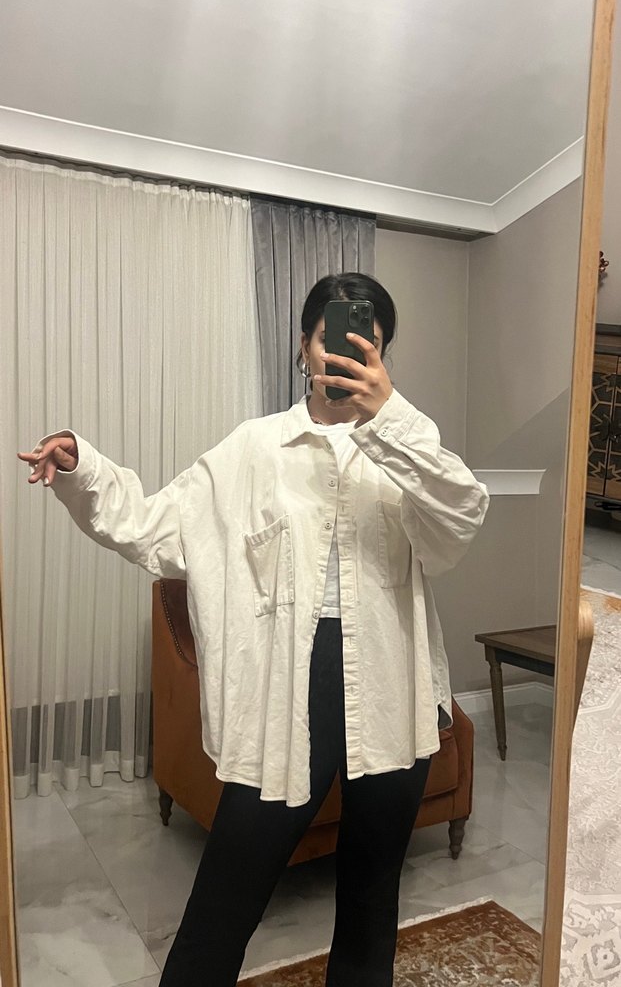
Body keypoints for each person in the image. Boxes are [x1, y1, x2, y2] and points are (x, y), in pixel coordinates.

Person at [18, 272, 490, 987]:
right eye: (331, 339)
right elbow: (154, 527)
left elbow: (458, 526)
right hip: (285, 689)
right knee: (229, 893)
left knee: (372, 896)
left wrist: (387, 418)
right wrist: (87, 469)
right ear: (304, 347)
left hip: (390, 685)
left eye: (368, 344)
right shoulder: (254, 449)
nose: (346, 355)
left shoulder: (407, 441)